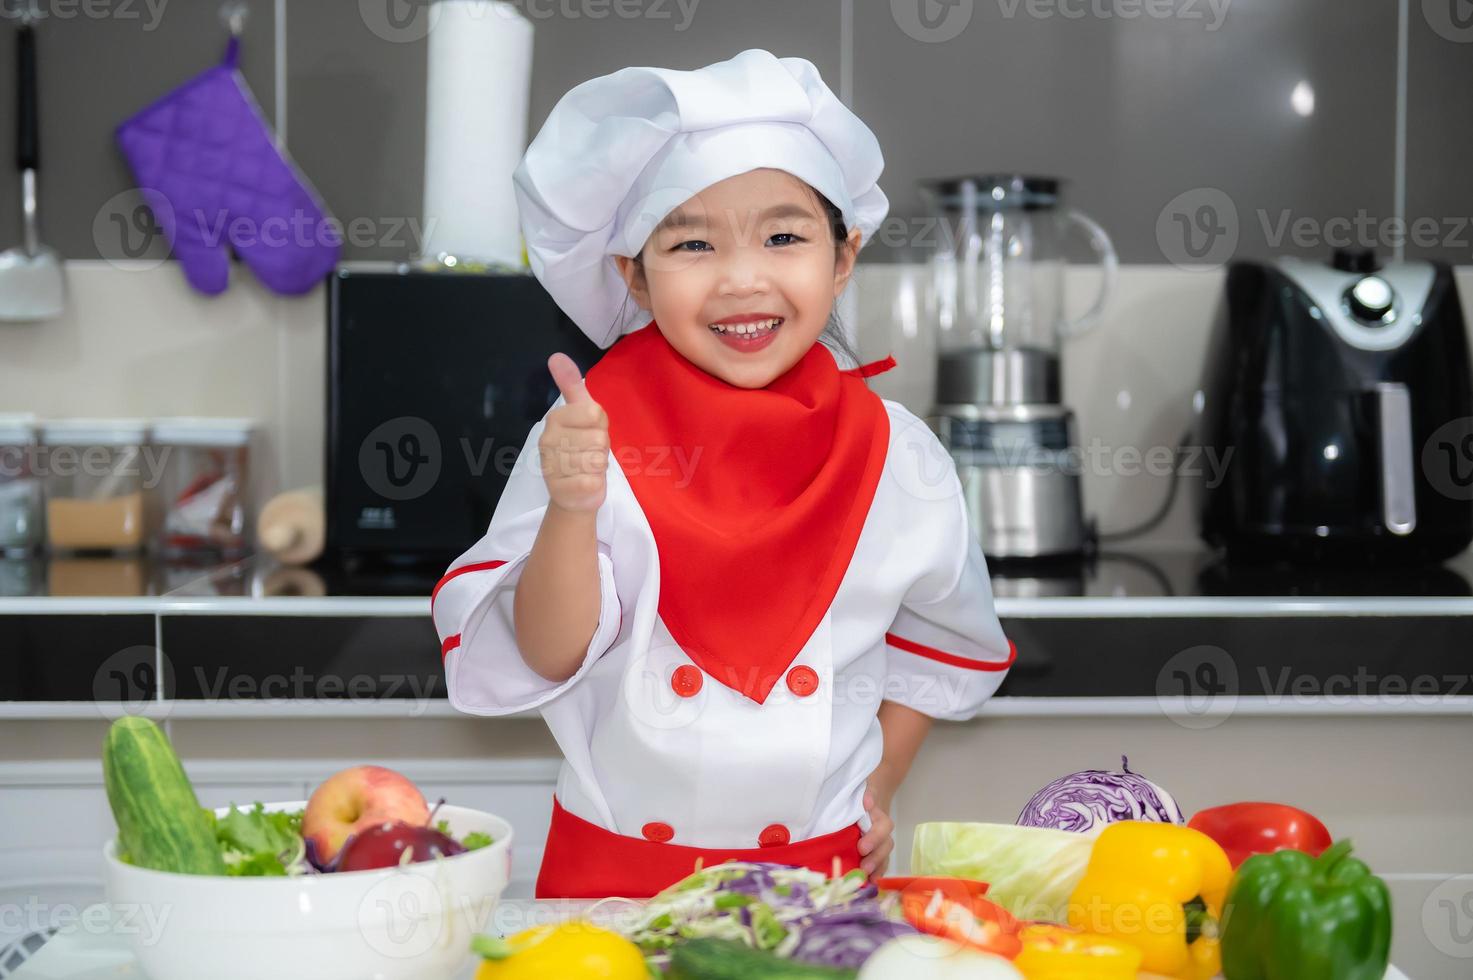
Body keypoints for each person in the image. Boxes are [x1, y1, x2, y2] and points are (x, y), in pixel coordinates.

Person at [431, 48, 1016, 900]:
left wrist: (876, 791)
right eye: (693, 243)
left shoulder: (896, 452)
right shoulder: (586, 435)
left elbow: (934, 646)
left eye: (784, 237)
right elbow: (550, 654)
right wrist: (570, 505)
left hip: (819, 880)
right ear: (633, 274)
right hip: (610, 887)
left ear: (842, 257)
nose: (743, 280)